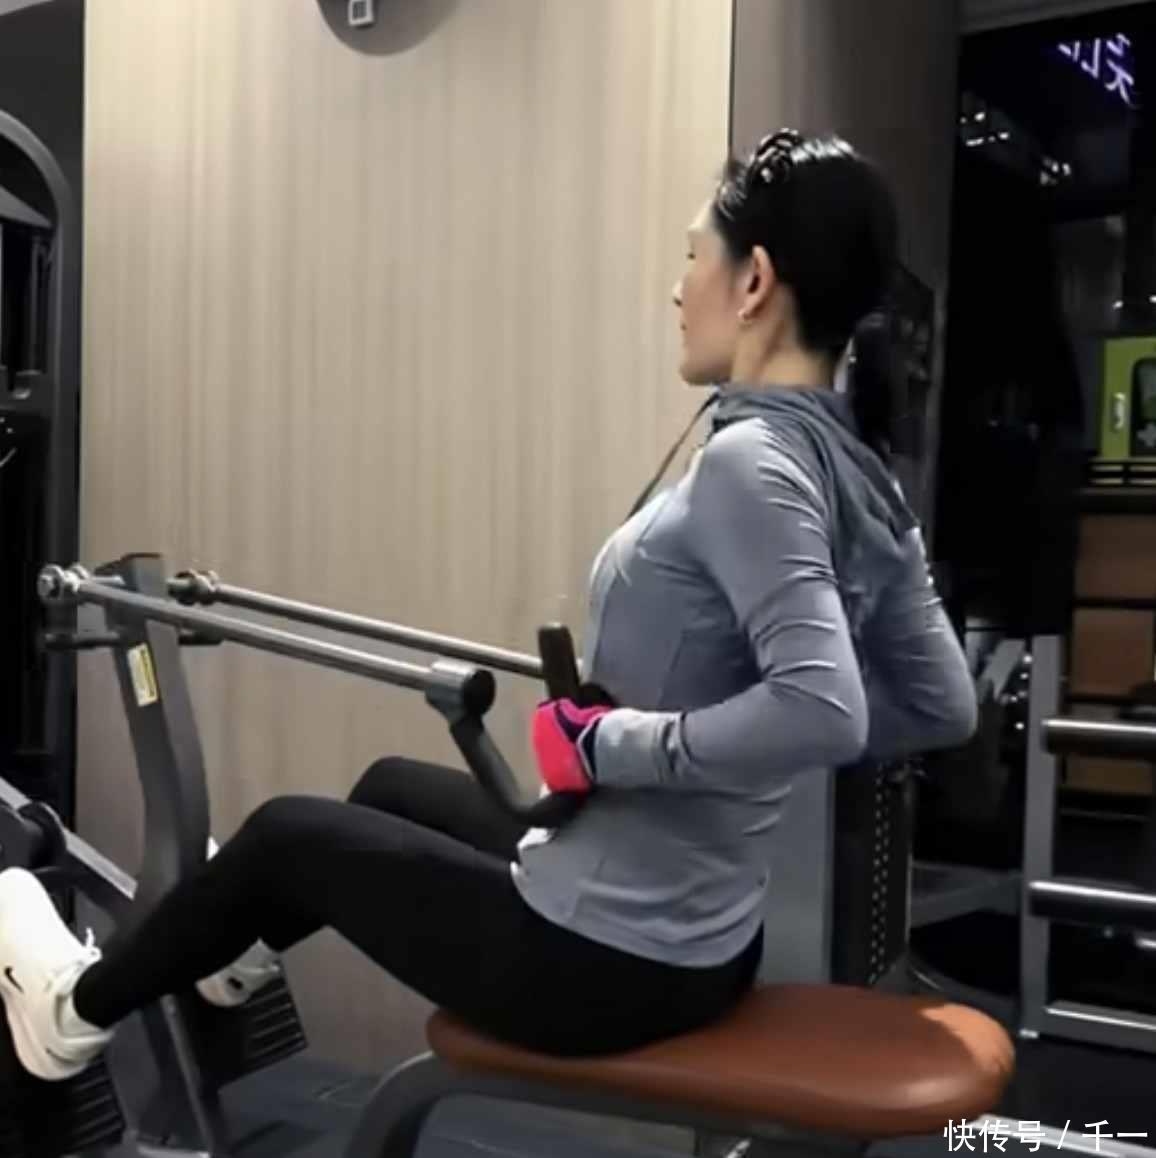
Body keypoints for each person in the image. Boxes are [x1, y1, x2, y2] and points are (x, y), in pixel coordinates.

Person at [0, 128, 976, 1082]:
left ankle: (70, 1016)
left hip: (603, 962)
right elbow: (940, 705)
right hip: (703, 939)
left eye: (693, 258)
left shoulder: (750, 464)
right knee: (388, 787)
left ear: (753, 282)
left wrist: (617, 745)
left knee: (285, 838)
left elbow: (819, 709)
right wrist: (717, 753)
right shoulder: (857, 475)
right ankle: (229, 952)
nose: (679, 289)